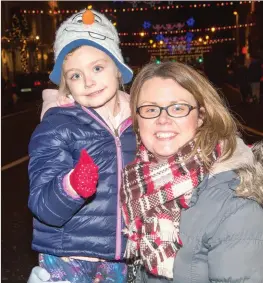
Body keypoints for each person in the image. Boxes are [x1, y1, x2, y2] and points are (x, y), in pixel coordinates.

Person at [120, 61, 263, 282]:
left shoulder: (235, 205)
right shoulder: (134, 183)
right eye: (150, 109)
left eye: (178, 108)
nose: (162, 119)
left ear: (201, 116)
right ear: (137, 121)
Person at [27, 8, 137, 283]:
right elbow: (42, 204)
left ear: (118, 69)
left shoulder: (141, 120)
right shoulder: (56, 125)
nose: (88, 81)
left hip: (121, 255)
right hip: (68, 255)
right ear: (66, 84)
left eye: (97, 68)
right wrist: (72, 187)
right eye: (75, 75)